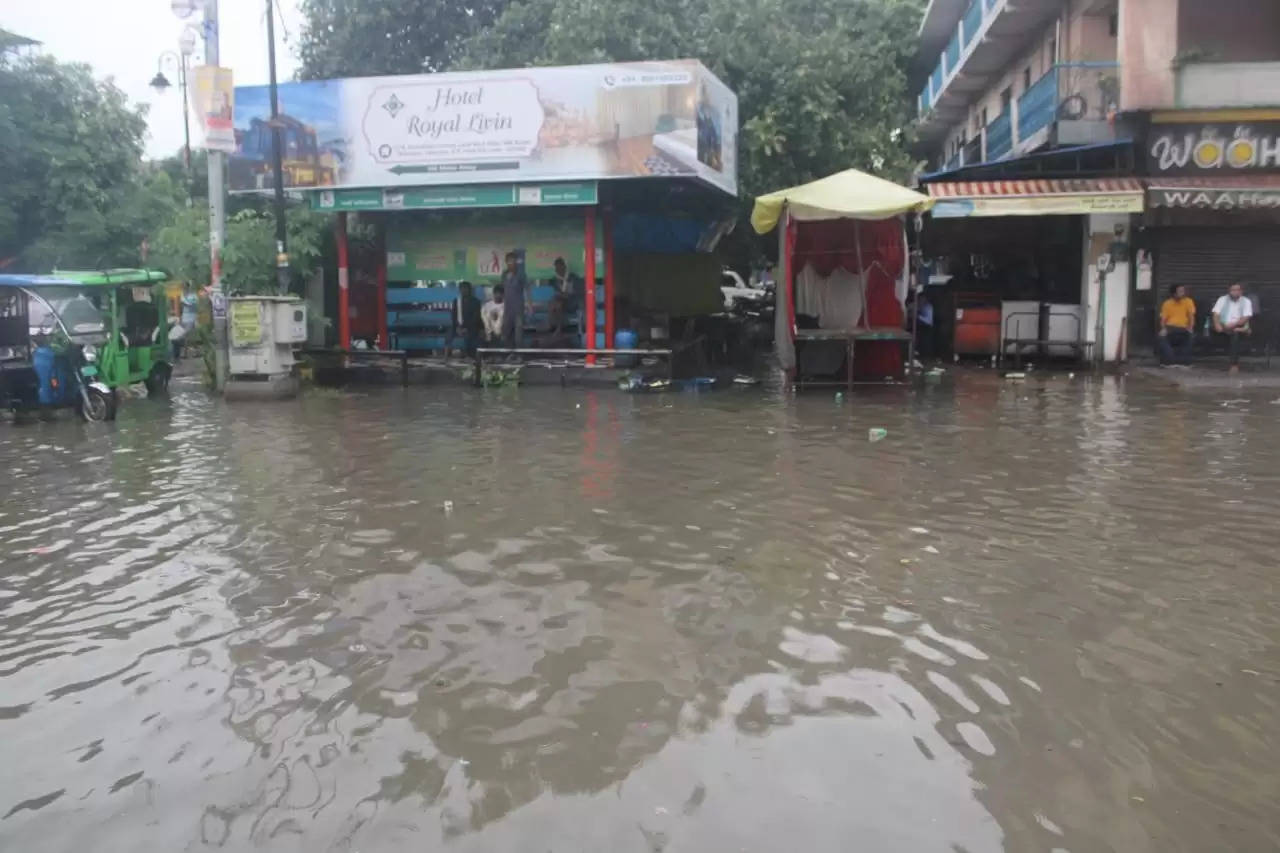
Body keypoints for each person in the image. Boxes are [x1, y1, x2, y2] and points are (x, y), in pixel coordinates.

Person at [1212, 281, 1253, 373]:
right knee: (1216, 328)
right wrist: (1217, 325)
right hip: (1223, 325)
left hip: (1238, 326)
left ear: (1241, 291)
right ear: (1229, 291)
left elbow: (1245, 318)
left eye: (1238, 290)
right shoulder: (1222, 299)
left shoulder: (1246, 301)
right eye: (1233, 290)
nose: (1235, 292)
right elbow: (1216, 314)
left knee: (1235, 335)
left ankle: (1234, 365)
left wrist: (1232, 325)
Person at [1158, 284, 1196, 366]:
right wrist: (1163, 328)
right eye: (1180, 291)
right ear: (1174, 294)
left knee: (1191, 336)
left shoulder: (1188, 301)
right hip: (1170, 328)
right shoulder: (1167, 303)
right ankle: (1169, 360)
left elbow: (1191, 317)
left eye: (1183, 291)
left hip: (1184, 328)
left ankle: (1185, 362)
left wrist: (1190, 327)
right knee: (1161, 337)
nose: (1183, 293)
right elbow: (1163, 320)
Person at [499, 251, 529, 349]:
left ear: (516, 262)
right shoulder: (504, 274)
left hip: (518, 308)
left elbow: (527, 289)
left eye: (513, 261)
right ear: (506, 262)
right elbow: (503, 290)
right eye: (509, 261)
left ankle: (520, 356)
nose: (511, 263)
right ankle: (508, 355)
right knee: (505, 333)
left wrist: (530, 305)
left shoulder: (521, 274)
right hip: (507, 308)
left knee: (518, 335)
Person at [452, 281, 482, 357]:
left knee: (471, 335)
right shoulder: (456, 301)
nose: (464, 290)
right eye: (462, 289)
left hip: (472, 327)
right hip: (459, 327)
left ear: (469, 290)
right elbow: (453, 316)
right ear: (459, 290)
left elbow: (476, 318)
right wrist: (457, 327)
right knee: (449, 334)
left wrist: (466, 328)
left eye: (466, 288)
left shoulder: (476, 302)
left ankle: (469, 355)